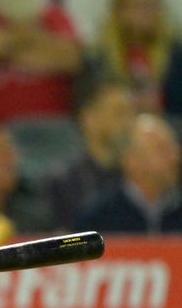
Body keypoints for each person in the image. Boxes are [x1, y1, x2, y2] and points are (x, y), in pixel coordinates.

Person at [42, 78, 136, 230]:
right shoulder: (65, 182)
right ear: (89, 119)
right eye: (120, 113)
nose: (130, 122)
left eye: (132, 113)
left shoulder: (137, 176)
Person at [74, 113, 182, 232]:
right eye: (162, 149)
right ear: (131, 161)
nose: (176, 157)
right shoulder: (97, 219)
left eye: (175, 147)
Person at [82, 0, 182, 117]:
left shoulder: (179, 56)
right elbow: (87, 109)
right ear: (120, 10)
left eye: (155, 6)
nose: (150, 12)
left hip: (171, 128)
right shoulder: (97, 58)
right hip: (117, 129)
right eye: (142, 5)